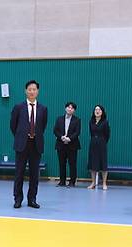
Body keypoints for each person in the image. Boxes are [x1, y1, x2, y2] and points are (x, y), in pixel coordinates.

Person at [10, 80, 47, 209]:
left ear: (38, 91)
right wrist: (21, 136)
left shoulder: (43, 108)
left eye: (34, 89)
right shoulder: (18, 107)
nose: (32, 91)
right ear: (26, 91)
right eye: (29, 89)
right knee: (19, 173)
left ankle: (32, 199)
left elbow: (43, 126)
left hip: (36, 145)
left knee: (34, 174)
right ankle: (18, 199)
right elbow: (13, 126)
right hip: (22, 144)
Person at [53, 102, 81, 187]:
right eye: (68, 107)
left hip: (72, 145)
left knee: (72, 164)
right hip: (61, 144)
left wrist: (69, 139)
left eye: (72, 108)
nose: (70, 109)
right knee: (62, 163)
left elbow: (77, 132)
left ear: (74, 110)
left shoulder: (77, 120)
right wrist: (61, 137)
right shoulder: (59, 119)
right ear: (65, 108)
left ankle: (72, 182)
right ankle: (62, 181)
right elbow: (55, 130)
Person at [87, 105, 111, 190]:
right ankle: (93, 182)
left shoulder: (105, 122)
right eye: (96, 110)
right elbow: (91, 133)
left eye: (99, 110)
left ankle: (104, 183)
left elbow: (107, 135)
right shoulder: (91, 121)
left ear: (102, 112)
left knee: (103, 164)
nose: (97, 111)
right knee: (92, 164)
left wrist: (103, 141)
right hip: (93, 143)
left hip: (102, 144)